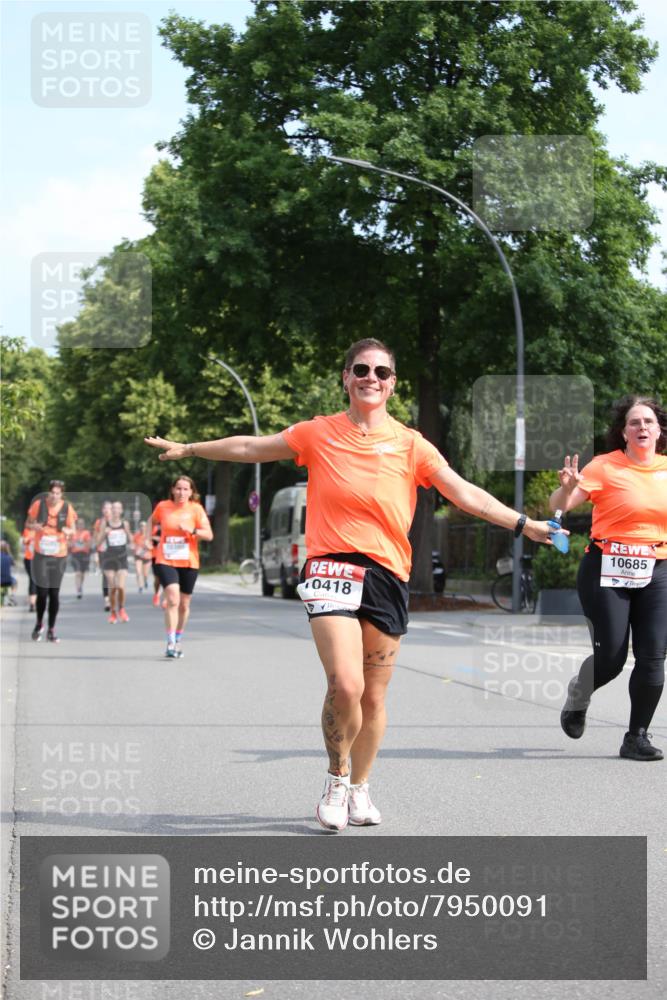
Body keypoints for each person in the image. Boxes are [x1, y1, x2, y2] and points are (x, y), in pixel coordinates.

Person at [146, 338, 560, 831]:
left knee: (374, 698)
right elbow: (253, 447)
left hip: (387, 575)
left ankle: (362, 787)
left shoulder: (412, 444)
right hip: (330, 569)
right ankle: (337, 778)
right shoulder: (317, 433)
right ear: (345, 377)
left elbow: (462, 491)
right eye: (361, 369)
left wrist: (522, 524)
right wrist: (190, 448)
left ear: (393, 384)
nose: (371, 378)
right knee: (345, 684)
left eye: (381, 372)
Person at [550, 395, 667, 762]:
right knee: (613, 658)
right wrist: (567, 488)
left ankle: (637, 736)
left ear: (659, 430)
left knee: (653, 657)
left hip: (658, 568)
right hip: (607, 568)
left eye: (648, 421)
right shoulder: (604, 467)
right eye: (634, 422)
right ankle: (579, 693)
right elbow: (559, 505)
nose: (642, 427)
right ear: (623, 432)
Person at [146, 476, 213, 658]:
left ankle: (178, 636)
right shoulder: (163, 507)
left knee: (184, 604)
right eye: (178, 489)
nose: (181, 492)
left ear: (191, 492)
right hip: (166, 559)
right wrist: (147, 541)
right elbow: (149, 523)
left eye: (185, 489)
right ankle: (170, 641)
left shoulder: (196, 509)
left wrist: (192, 530)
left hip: (189, 561)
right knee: (173, 599)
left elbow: (209, 535)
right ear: (173, 490)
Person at [25, 480, 77, 642]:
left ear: (61, 494)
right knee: (42, 592)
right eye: (52, 493)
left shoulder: (67, 508)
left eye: (57, 493)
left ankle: (51, 628)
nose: (54, 496)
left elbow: (73, 530)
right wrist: (35, 527)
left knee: (54, 593)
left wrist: (67, 531)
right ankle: (39, 623)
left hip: (59, 554)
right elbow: (28, 523)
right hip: (41, 553)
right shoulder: (38, 505)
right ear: (48, 493)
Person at [94, 501, 132, 623]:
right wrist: (104, 533)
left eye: (117, 508)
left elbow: (131, 540)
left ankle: (121, 609)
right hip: (108, 558)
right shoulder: (105, 523)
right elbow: (98, 542)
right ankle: (113, 612)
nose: (115, 511)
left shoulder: (125, 523)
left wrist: (127, 534)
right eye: (113, 508)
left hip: (122, 558)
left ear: (121, 511)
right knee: (113, 587)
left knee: (120, 587)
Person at [93, 501, 112, 612]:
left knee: (114, 576)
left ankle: (113, 596)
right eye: (105, 508)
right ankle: (107, 599)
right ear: (102, 510)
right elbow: (95, 538)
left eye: (109, 508)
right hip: (103, 550)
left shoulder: (116, 522)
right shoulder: (99, 522)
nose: (107, 510)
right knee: (105, 575)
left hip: (115, 552)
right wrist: (95, 552)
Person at [69, 517, 92, 599]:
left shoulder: (86, 533)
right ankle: (78, 590)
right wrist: (71, 544)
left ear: (84, 525)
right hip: (75, 554)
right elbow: (69, 543)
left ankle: (80, 585)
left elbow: (89, 544)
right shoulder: (73, 533)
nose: (80, 525)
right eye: (79, 524)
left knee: (82, 574)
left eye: (82, 524)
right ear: (76, 525)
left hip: (84, 554)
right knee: (78, 573)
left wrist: (84, 544)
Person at [133, 520, 152, 592]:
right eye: (141, 526)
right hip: (138, 556)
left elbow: (153, 546)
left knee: (145, 574)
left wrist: (148, 546)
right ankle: (140, 587)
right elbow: (133, 544)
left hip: (147, 556)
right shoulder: (136, 535)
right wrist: (135, 548)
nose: (142, 527)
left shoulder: (149, 536)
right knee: (138, 571)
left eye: (144, 526)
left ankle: (145, 580)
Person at [21, 527, 37, 611]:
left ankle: (35, 600)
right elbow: (24, 541)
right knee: (33, 579)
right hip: (29, 559)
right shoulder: (27, 530)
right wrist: (31, 538)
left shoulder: (44, 530)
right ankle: (32, 603)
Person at [1, 541, 17, 606]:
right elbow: (14, 564)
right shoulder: (9, 557)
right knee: (15, 582)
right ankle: (12, 596)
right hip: (8, 580)